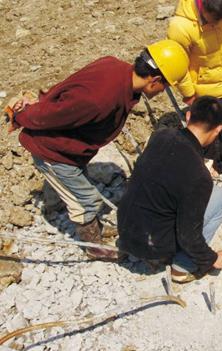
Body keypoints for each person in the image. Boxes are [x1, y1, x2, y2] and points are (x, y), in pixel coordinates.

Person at [7, 40, 190, 260]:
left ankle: (95, 230)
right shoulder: (101, 99)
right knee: (85, 200)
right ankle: (93, 247)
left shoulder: (115, 68)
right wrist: (22, 116)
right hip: (53, 152)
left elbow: (69, 88)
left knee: (81, 187)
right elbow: (53, 115)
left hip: (69, 150)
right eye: (166, 86)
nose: (163, 92)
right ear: (155, 80)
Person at [117, 96, 222, 283]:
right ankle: (182, 265)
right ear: (218, 129)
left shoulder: (161, 136)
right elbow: (189, 236)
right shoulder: (199, 176)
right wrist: (211, 259)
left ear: (188, 116)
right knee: (221, 198)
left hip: (125, 231)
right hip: (154, 246)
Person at [167, 0, 222, 188]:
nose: (221, 24)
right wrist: (188, 93)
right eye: (215, 21)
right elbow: (178, 66)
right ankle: (207, 160)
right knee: (206, 127)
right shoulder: (180, 27)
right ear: (203, 7)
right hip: (203, 87)